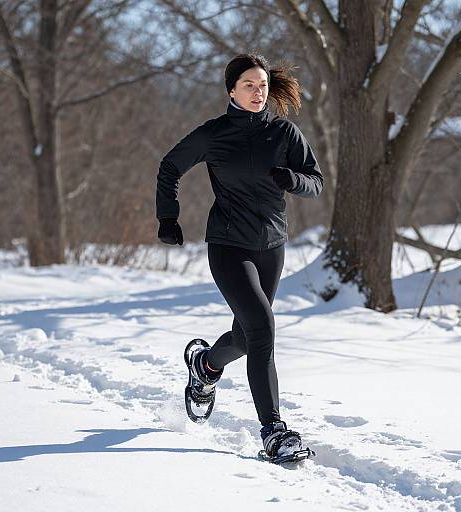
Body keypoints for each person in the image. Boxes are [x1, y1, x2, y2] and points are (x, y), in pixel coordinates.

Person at [156, 53, 323, 458]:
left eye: (262, 85)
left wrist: (293, 179)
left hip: (272, 246)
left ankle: (205, 367)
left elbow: (315, 183)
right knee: (263, 328)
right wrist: (168, 217)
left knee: (248, 337)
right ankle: (274, 431)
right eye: (248, 85)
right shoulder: (214, 134)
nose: (258, 92)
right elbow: (170, 166)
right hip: (229, 246)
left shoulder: (284, 133)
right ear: (231, 90)